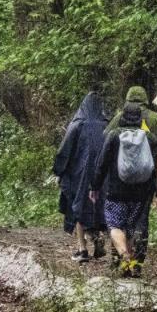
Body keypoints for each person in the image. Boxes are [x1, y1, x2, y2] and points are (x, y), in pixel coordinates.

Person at [89, 100, 157, 277]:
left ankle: (124, 256)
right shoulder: (149, 138)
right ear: (140, 119)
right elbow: (156, 166)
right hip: (141, 193)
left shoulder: (113, 135)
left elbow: (102, 164)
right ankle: (135, 263)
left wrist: (95, 186)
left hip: (116, 192)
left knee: (115, 225)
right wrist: (156, 189)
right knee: (134, 227)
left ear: (123, 117)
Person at [52, 92, 108, 262]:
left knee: (78, 207)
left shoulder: (77, 125)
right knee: (98, 204)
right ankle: (98, 241)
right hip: (102, 175)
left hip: (79, 174)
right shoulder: (107, 125)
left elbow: (65, 151)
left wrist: (59, 171)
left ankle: (82, 248)